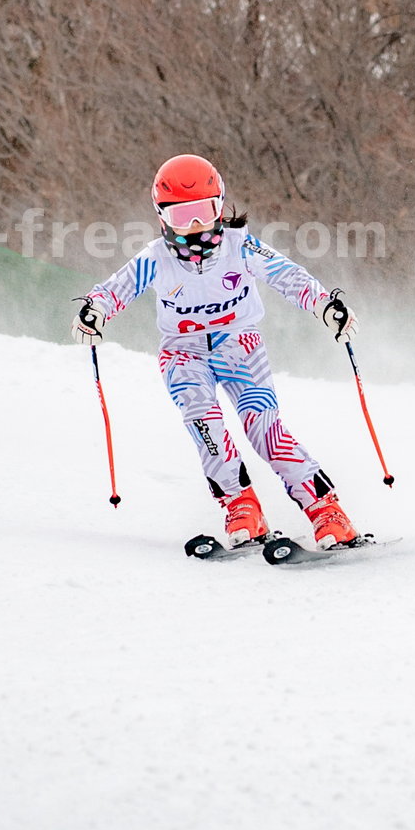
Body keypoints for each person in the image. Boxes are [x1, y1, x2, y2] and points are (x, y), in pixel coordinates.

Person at [72, 154, 360, 549]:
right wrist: (95, 310)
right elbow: (117, 287)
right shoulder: (156, 258)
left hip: (239, 345)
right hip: (183, 352)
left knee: (264, 429)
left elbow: (286, 275)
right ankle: (241, 506)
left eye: (204, 212)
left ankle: (327, 512)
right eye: (181, 217)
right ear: (161, 217)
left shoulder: (240, 247)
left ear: (220, 207)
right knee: (204, 420)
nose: (194, 228)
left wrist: (325, 305)